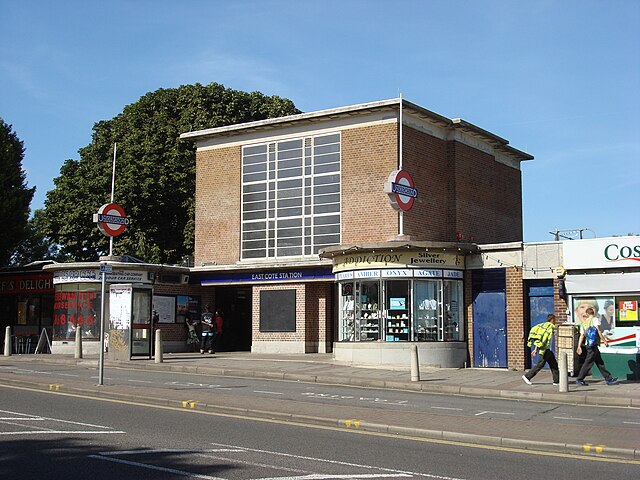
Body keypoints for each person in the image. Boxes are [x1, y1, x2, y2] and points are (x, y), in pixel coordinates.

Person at [575, 306, 617, 386]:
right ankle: (579, 379)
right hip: (593, 346)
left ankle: (608, 378)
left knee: (599, 362)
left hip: (589, 345)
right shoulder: (595, 320)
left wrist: (579, 346)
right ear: (593, 313)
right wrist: (604, 341)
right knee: (588, 363)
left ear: (587, 314)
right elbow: (598, 331)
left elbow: (582, 336)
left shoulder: (584, 323)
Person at [522, 314, 559, 385]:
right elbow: (542, 338)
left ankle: (556, 381)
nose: (555, 321)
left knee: (554, 365)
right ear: (552, 320)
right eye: (555, 320)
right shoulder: (549, 328)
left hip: (548, 350)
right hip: (545, 350)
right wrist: (536, 349)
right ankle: (527, 376)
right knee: (540, 364)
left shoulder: (547, 327)